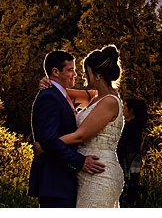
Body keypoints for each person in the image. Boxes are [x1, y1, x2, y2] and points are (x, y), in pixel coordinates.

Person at [36, 45, 126, 208]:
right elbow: (60, 94)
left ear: (97, 75)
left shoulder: (109, 102)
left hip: (98, 171)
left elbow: (80, 135)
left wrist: (46, 145)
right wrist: (47, 80)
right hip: (85, 172)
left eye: (87, 71)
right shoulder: (94, 96)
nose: (82, 75)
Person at [28, 50, 106, 208]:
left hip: (63, 180)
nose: (75, 74)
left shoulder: (61, 95)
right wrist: (81, 161)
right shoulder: (49, 97)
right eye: (70, 70)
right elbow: (49, 140)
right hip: (55, 181)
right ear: (55, 72)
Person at [117, 98, 147, 207]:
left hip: (128, 167)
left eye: (125, 107)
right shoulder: (134, 127)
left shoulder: (131, 129)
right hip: (130, 168)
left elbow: (126, 149)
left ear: (132, 110)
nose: (123, 110)